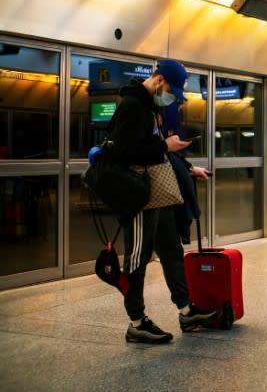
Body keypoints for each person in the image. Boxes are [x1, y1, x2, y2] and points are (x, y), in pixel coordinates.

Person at [111, 59, 218, 344]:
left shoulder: (150, 107)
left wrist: (184, 164)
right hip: (138, 197)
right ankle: (136, 322)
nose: (172, 97)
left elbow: (155, 149)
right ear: (159, 81)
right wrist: (163, 146)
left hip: (156, 196)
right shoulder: (132, 106)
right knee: (137, 258)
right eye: (172, 89)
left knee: (171, 251)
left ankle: (186, 310)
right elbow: (123, 152)